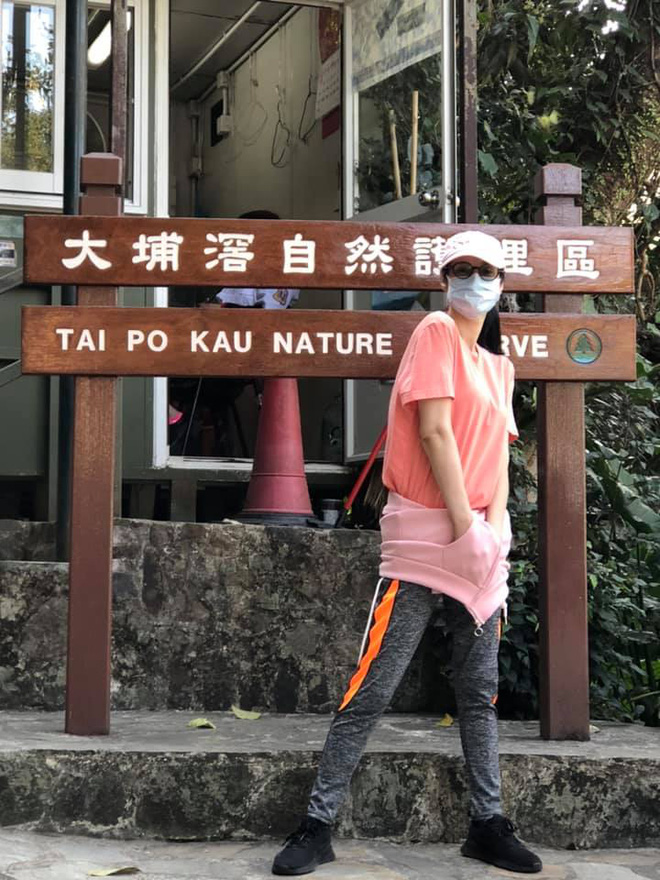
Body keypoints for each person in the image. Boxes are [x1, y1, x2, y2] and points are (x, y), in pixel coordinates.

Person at [271, 231, 543, 876]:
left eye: (485, 270)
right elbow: (434, 430)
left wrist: (493, 531)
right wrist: (464, 525)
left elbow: (498, 456)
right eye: (462, 269)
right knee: (374, 683)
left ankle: (487, 824)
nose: (474, 280)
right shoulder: (435, 332)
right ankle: (317, 824)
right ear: (444, 279)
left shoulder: (499, 367)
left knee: (479, 693)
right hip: (423, 539)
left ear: (503, 282)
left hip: (481, 549)